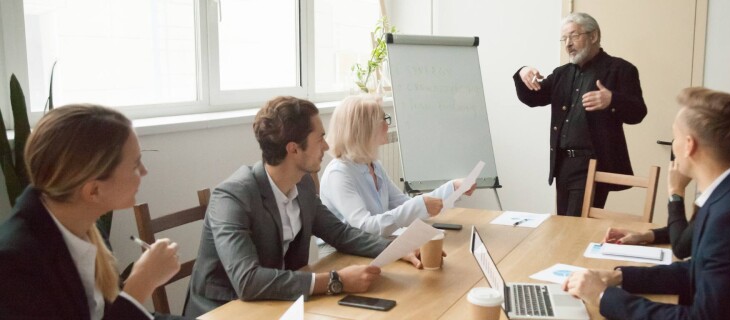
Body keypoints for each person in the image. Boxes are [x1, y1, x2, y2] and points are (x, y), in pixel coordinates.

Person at [564, 88, 730, 319]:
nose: (673, 145)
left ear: (689, 145)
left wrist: (604, 296)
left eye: (675, 136)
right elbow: (698, 269)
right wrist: (619, 277)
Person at [185, 96, 424, 317]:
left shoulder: (304, 185)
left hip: (279, 303)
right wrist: (335, 280)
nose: (327, 146)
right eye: (320, 138)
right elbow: (248, 281)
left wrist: (396, 248)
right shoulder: (233, 196)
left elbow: (339, 233)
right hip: (225, 311)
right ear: (293, 149)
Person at [0, 105, 184, 319]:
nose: (144, 171)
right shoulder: (14, 264)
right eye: (135, 165)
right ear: (94, 190)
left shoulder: (85, 222)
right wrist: (142, 283)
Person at [513, 12, 647, 216]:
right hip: (563, 164)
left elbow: (638, 112)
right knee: (564, 225)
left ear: (593, 36)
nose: (567, 44)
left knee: (575, 227)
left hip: (593, 165)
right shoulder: (562, 74)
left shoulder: (620, 69)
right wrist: (522, 72)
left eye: (573, 36)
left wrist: (612, 100)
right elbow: (533, 98)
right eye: (564, 38)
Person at [603, 108, 730, 259]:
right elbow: (694, 232)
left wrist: (676, 192)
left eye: (677, 135)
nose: (674, 144)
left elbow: (682, 248)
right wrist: (645, 236)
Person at [320, 95, 476, 237]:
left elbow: (404, 204)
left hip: (374, 245)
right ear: (364, 130)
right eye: (383, 120)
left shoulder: (373, 165)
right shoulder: (339, 174)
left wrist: (452, 188)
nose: (387, 127)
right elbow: (365, 227)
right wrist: (419, 206)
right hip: (343, 257)